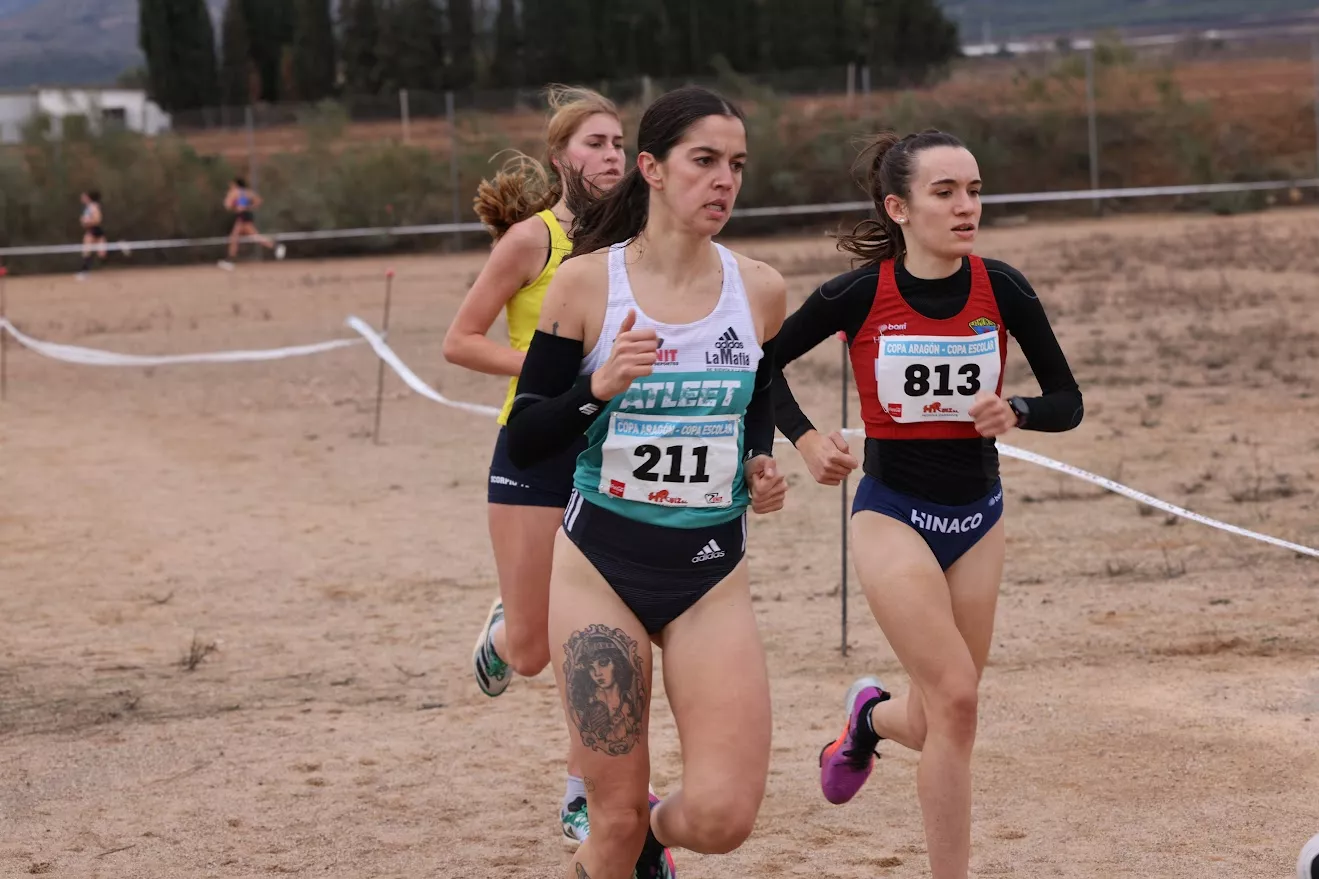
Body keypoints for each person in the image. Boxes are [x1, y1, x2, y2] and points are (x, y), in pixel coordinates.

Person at [771, 129, 1084, 879]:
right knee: (957, 698)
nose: (965, 205)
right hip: (892, 512)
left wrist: (1018, 411)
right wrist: (808, 439)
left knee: (943, 711)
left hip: (978, 517)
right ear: (899, 207)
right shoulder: (855, 294)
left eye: (973, 190)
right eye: (944, 192)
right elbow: (760, 364)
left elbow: (1067, 400)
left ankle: (867, 720)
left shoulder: (1000, 287)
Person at [503, 85, 789, 879]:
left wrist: (760, 462)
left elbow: (755, 397)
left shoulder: (758, 289)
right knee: (613, 818)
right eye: (703, 161)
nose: (723, 180)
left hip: (708, 576)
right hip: (601, 570)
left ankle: (650, 844)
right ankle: (624, 844)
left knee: (724, 818)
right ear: (651, 170)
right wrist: (596, 389)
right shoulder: (588, 286)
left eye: (735, 164)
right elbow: (525, 437)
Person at [440, 85, 625, 850]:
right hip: (537, 448)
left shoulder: (640, 241)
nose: (609, 156)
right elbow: (460, 339)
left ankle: (583, 789)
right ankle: (499, 632)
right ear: (560, 159)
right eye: (593, 144)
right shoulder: (532, 240)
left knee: (598, 636)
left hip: (613, 458)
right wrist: (550, 368)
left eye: (618, 143)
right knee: (531, 650)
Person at [218, 177, 285, 270]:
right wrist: (249, 207)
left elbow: (227, 205)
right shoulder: (247, 192)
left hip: (241, 216)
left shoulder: (234, 192)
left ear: (235, 184)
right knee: (247, 237)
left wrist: (233, 204)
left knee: (236, 237)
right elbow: (259, 201)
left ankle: (230, 261)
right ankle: (276, 246)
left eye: (231, 185)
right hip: (247, 214)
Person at [76, 191, 107, 280]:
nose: (82, 198)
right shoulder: (88, 207)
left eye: (84, 197)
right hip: (92, 229)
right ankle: (85, 272)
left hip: (94, 229)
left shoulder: (93, 206)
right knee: (101, 253)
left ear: (88, 198)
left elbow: (97, 219)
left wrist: (86, 222)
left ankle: (84, 272)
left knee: (87, 250)